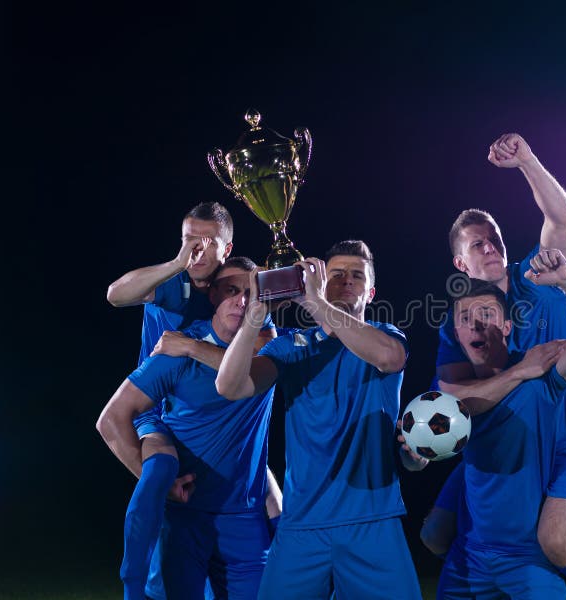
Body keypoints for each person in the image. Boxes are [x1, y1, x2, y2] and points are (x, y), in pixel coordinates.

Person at [436, 134, 566, 599]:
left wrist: (527, 161)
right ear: (459, 261)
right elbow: (451, 400)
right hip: (505, 449)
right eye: (477, 244)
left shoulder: (540, 274)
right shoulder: (458, 324)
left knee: (554, 542)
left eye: (494, 239)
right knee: (437, 537)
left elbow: (562, 219)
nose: (490, 247)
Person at [216, 240, 423, 600]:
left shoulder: (387, 337)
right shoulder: (291, 345)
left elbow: (390, 358)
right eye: (337, 273)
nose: (346, 281)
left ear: (371, 293)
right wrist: (255, 314)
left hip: (371, 520)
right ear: (321, 280)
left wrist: (315, 303)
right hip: (301, 524)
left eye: (357, 276)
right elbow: (230, 386)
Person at [104, 201, 275, 599]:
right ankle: (135, 586)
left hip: (214, 416)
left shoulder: (237, 297)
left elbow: (256, 361)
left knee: (271, 495)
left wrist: (190, 347)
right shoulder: (172, 284)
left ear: (226, 249)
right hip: (157, 409)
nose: (196, 249)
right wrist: (177, 261)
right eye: (188, 240)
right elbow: (115, 295)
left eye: (206, 242)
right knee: (161, 468)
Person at [439, 262, 566, 598]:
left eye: (488, 315)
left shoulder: (542, 370)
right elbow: (446, 418)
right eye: (465, 319)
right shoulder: (451, 388)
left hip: (525, 558)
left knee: (558, 542)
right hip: (470, 557)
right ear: (456, 334)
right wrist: (411, 453)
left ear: (508, 326)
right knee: (433, 534)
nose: (476, 325)